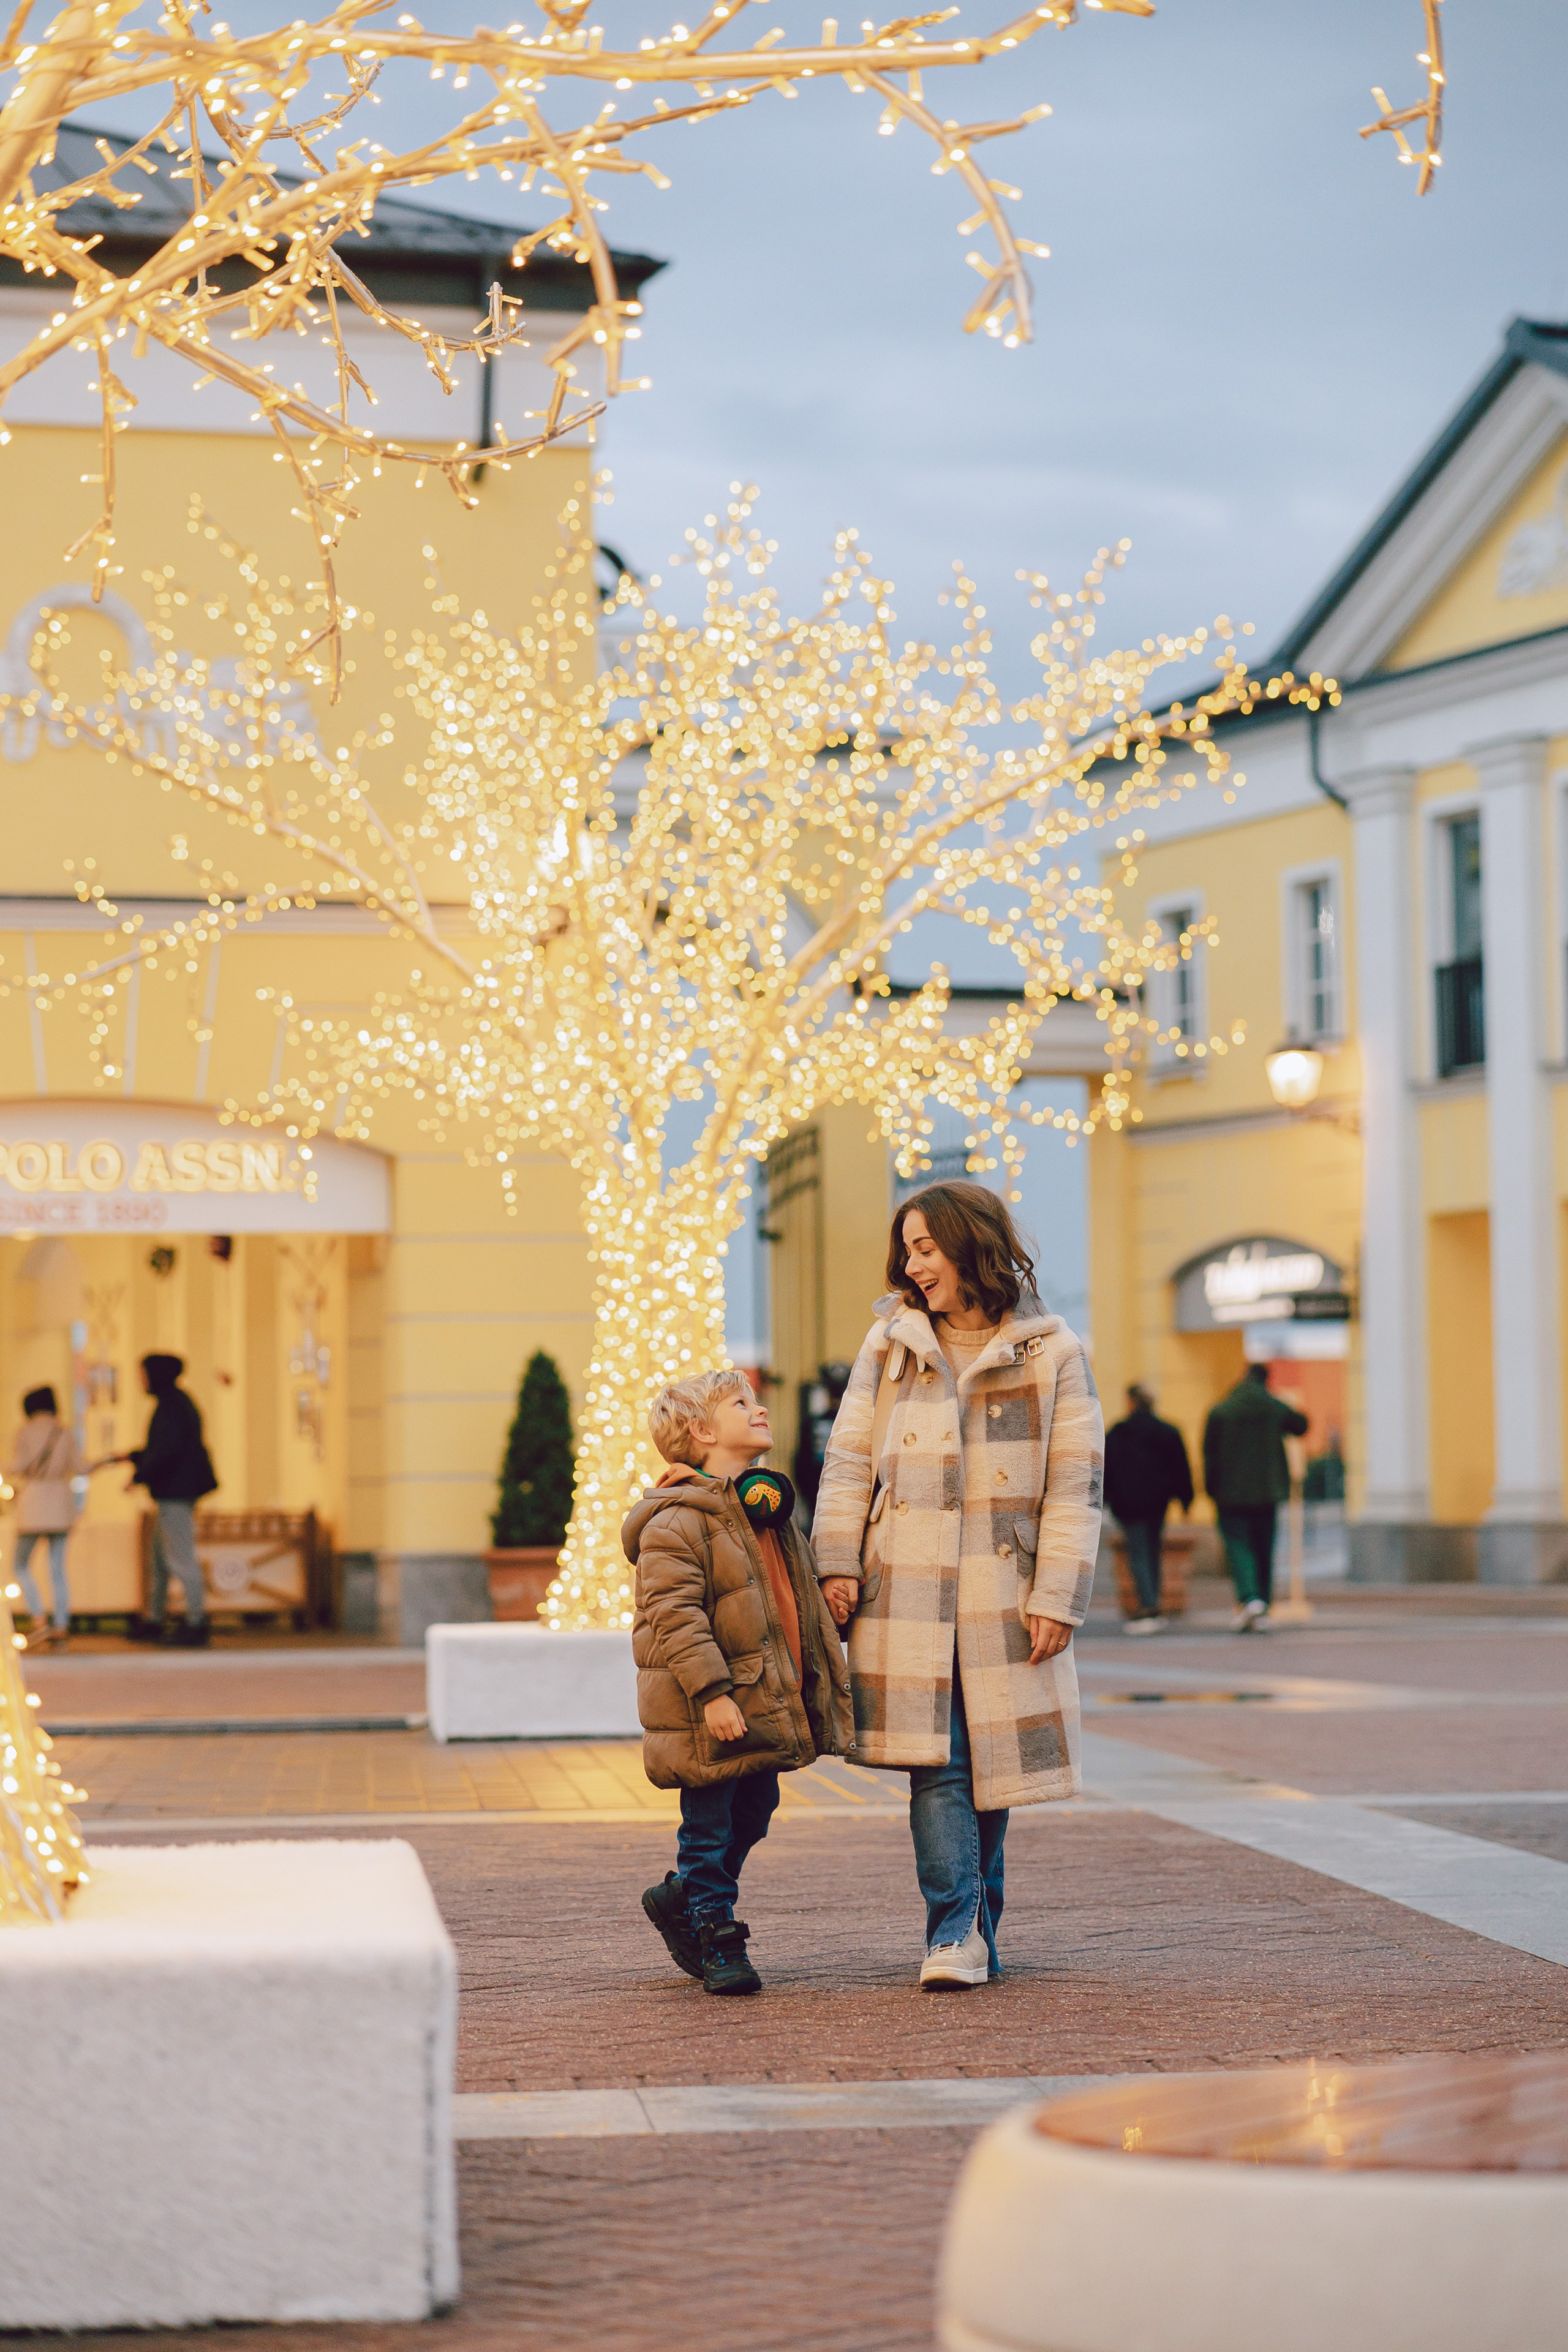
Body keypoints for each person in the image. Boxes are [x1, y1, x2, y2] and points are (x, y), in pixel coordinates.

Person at [813, 1182, 1102, 1989]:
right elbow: (848, 1461)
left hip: (1005, 1595)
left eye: (926, 1248)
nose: (913, 1266)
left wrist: (1058, 1597)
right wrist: (836, 1562)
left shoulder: (1053, 1352)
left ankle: (972, 1928)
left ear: (969, 1243)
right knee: (938, 1763)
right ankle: (956, 1933)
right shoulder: (891, 1345)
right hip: (903, 1588)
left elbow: (1076, 1487)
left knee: (992, 1767)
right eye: (907, 1251)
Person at [625, 1368, 853, 1996]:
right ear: (701, 1431)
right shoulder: (676, 1521)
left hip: (761, 1698)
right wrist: (712, 1694)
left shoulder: (763, 1508)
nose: (758, 1410)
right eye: (740, 1403)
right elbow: (675, 1617)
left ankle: (682, 1896)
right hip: (713, 1707)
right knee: (710, 1822)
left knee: (756, 1811)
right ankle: (714, 1932)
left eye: (756, 1400)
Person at [113, 1354, 218, 1648]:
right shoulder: (174, 1404)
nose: (141, 1381)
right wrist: (134, 1458)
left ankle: (196, 1621)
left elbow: (167, 1452)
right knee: (160, 1559)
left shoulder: (173, 1407)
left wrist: (139, 1474)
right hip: (172, 1491)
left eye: (143, 1374)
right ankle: (154, 1619)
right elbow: (162, 1448)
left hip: (176, 1493)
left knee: (180, 1557)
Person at [1202, 1362, 1309, 1632]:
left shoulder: (1222, 1409)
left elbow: (1209, 1454)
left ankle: (1249, 1598)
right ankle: (1263, 1605)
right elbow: (1301, 1425)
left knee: (1239, 1546)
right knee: (1264, 1548)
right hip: (1267, 1491)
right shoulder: (1273, 1407)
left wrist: (1211, 1487)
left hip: (1230, 1492)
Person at [1103, 1384, 1194, 1636]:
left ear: (1130, 1402)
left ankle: (1149, 1605)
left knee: (1139, 1553)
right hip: (1158, 1502)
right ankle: (1153, 1602)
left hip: (1129, 1504)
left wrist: (1106, 1499)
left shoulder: (1118, 1433)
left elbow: (1106, 1469)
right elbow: (1181, 1467)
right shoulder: (1167, 1431)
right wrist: (1186, 1500)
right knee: (1152, 1550)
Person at [6, 1386, 85, 1650]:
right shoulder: (65, 1432)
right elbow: (82, 1467)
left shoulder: (26, 1432)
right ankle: (61, 1624)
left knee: (20, 1564)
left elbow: (18, 1466)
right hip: (61, 1506)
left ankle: (39, 1617)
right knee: (58, 1569)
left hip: (34, 1503)